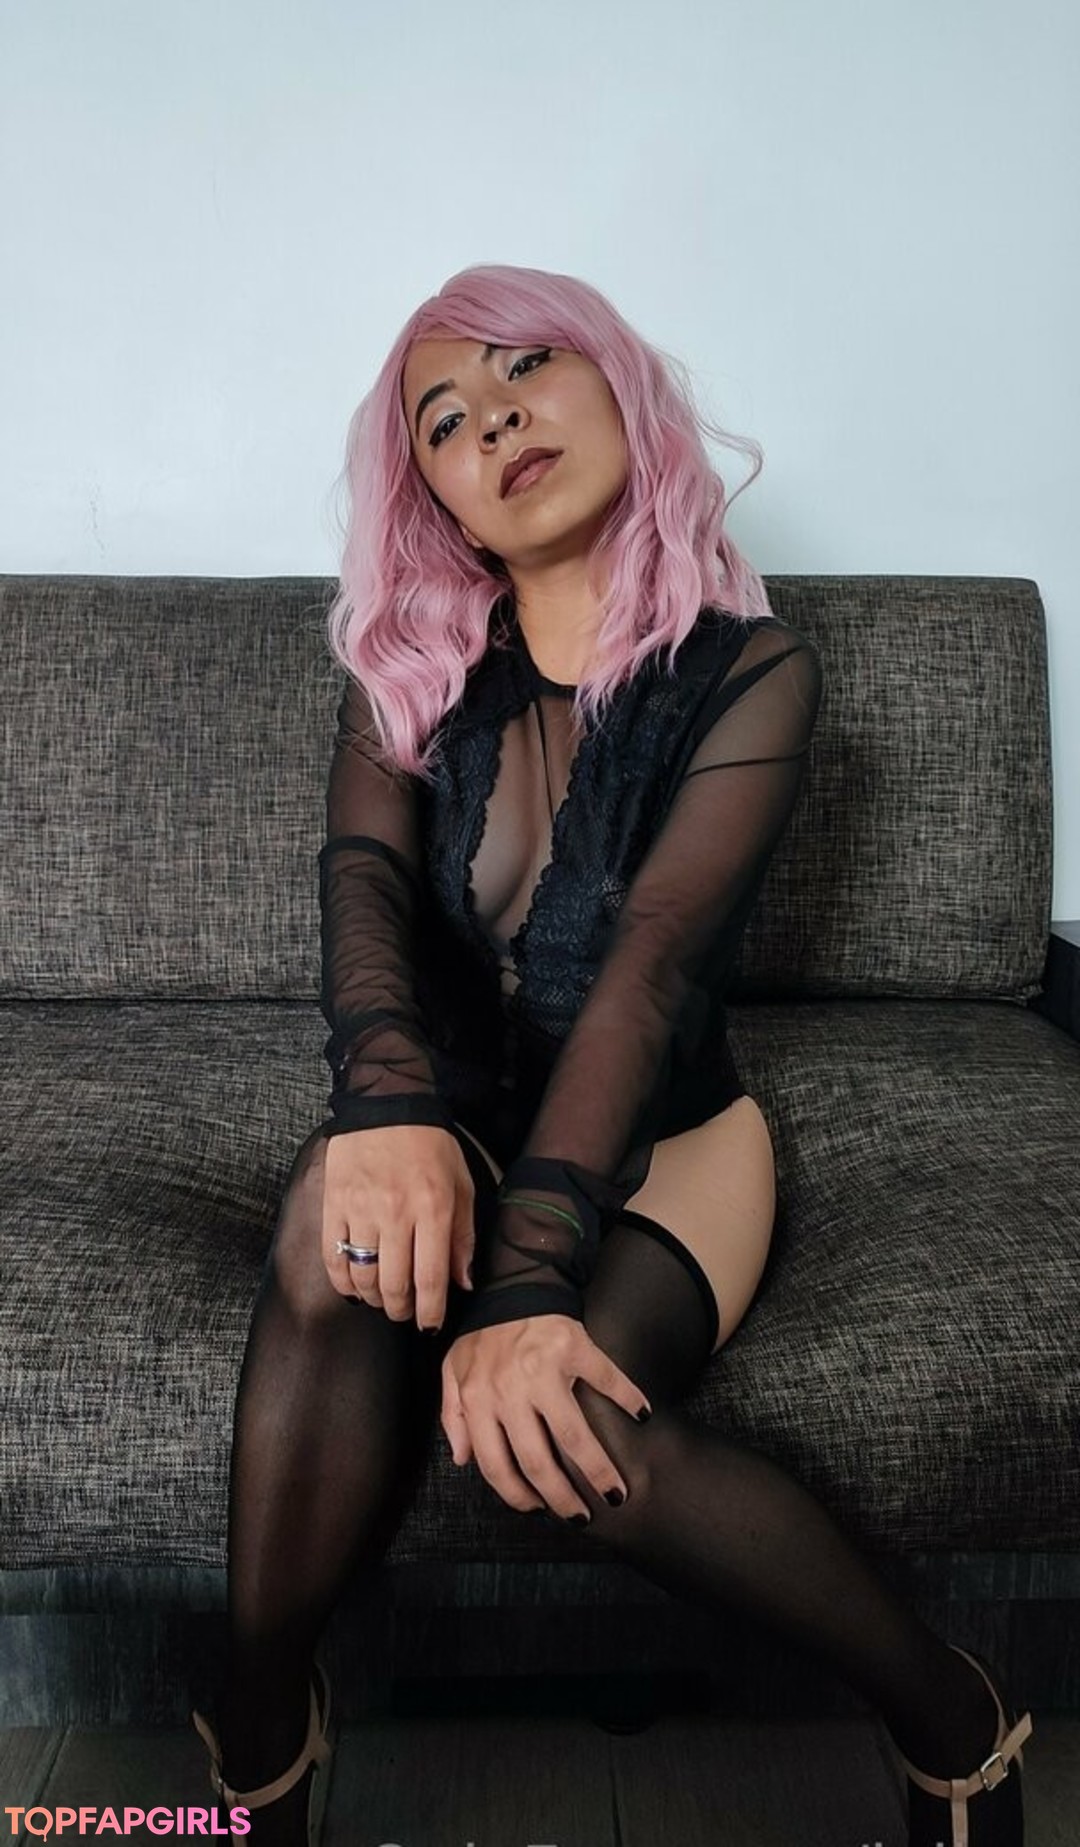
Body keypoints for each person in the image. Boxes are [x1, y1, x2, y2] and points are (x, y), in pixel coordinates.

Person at [192, 264, 1033, 1846]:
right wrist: (383, 1107)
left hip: (670, 1142)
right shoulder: (407, 670)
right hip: (457, 1113)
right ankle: (257, 1727)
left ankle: (952, 1714)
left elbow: (648, 976)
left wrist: (524, 1288)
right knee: (326, 1233)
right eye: (447, 419)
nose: (495, 420)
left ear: (617, 386)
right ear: (435, 498)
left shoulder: (752, 672)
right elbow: (363, 897)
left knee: (562, 1433)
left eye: (527, 366)